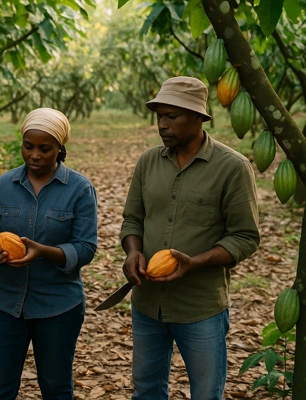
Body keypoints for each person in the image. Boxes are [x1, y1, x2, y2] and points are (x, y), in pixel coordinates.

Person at [120, 76, 260, 399]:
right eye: (159, 116)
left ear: (199, 117)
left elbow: (245, 237)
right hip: (147, 303)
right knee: (146, 390)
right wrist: (132, 252)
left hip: (200, 307)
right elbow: (132, 220)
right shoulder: (148, 162)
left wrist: (195, 262)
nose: (162, 125)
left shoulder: (232, 168)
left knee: (206, 393)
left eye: (172, 116)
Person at [0, 108, 98, 399]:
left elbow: (86, 247)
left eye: (45, 149)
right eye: (28, 146)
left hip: (58, 306)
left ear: (60, 148)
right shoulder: (4, 185)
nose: (34, 155)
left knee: (56, 389)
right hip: (5, 303)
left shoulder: (79, 189)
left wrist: (44, 252)